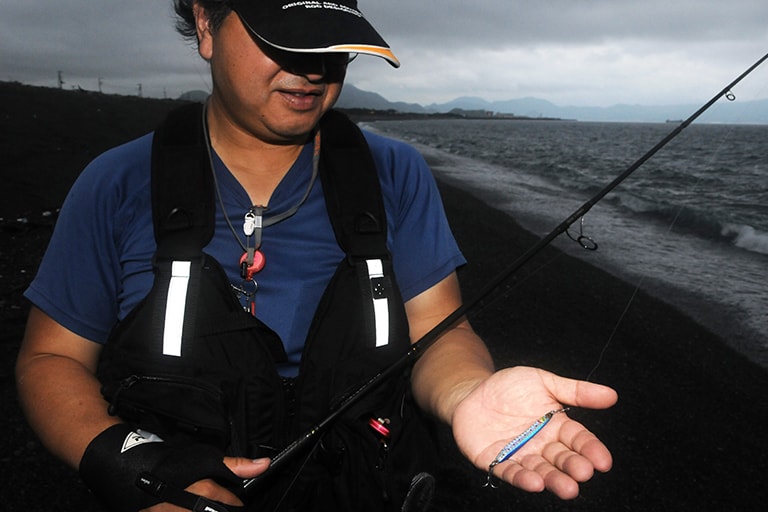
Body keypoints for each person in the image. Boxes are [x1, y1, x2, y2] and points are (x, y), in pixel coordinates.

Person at [15, 1, 618, 511]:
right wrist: (133, 470)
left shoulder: (396, 175)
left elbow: (437, 327)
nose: (311, 70)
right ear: (204, 23)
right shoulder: (115, 183)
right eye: (283, 40)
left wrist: (467, 393)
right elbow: (50, 357)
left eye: (331, 45)